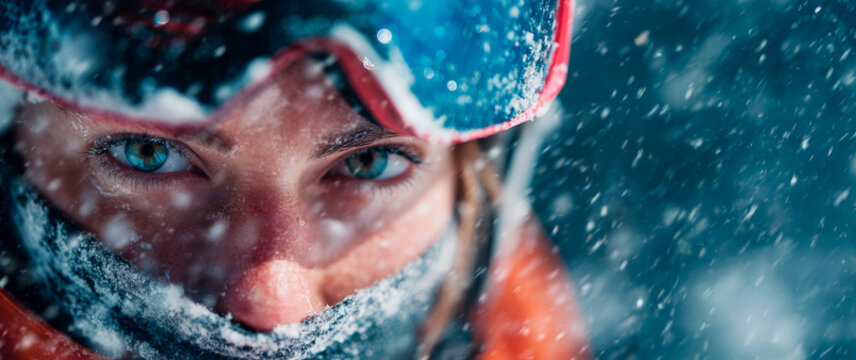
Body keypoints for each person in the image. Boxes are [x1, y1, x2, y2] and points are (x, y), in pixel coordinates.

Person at [0, 0, 586, 359]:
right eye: (149, 153)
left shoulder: (521, 332)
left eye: (367, 164)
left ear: (473, 179)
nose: (270, 310)